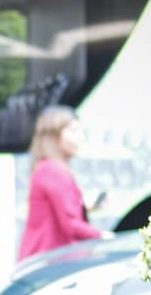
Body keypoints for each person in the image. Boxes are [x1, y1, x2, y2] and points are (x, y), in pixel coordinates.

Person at [17, 105, 104, 261]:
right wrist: (104, 237)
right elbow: (70, 225)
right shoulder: (53, 171)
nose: (80, 137)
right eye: (73, 131)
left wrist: (83, 206)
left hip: (45, 262)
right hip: (48, 264)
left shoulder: (48, 167)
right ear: (54, 137)